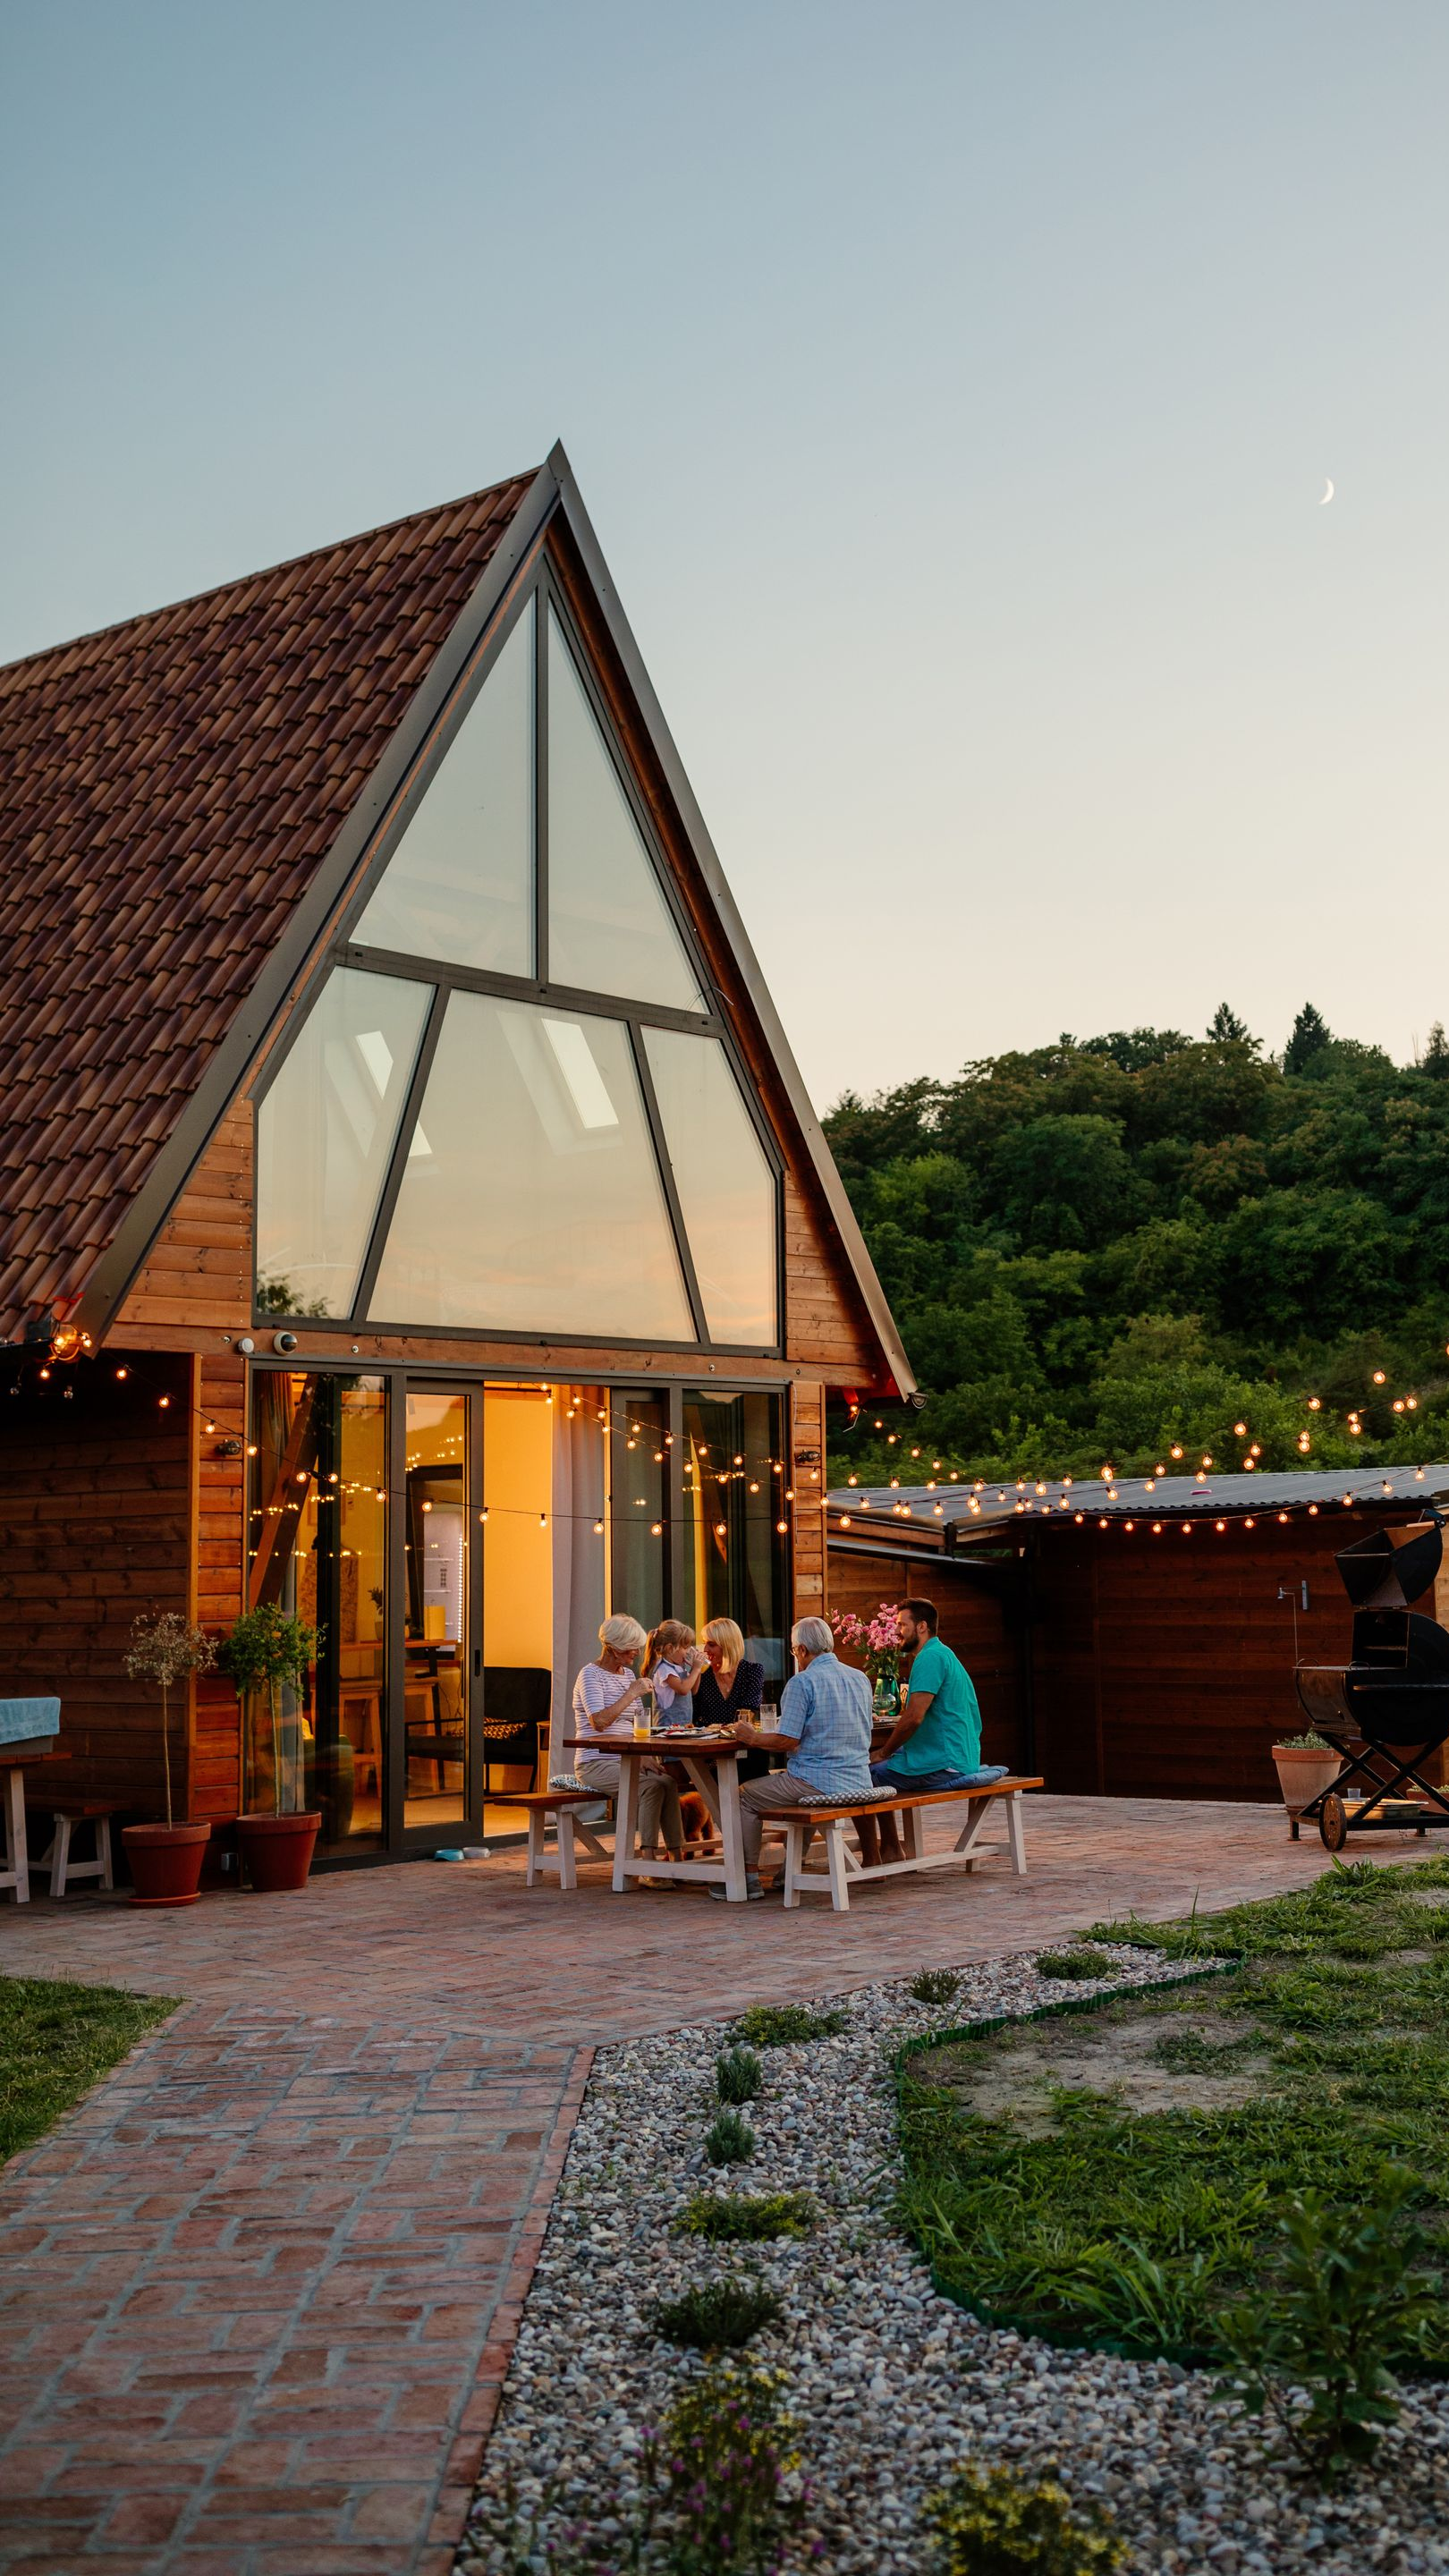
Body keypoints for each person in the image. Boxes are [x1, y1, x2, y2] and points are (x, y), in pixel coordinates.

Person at [719, 1615, 874, 1899]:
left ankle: (747, 1877)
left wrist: (749, 1736)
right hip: (859, 1779)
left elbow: (786, 1740)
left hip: (818, 1782)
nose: (795, 1656)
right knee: (795, 1791)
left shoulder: (803, 1682)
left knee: (743, 1795)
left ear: (802, 1650)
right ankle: (787, 1873)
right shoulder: (860, 1678)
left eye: (794, 1650)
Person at [860, 1598, 1004, 1868]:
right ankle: (890, 1847)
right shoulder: (944, 1654)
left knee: (867, 1773)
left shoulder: (929, 1658)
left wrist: (884, 1751)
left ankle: (885, 1850)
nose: (897, 1631)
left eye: (903, 1625)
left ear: (922, 1626)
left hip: (946, 1762)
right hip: (959, 1754)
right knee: (887, 1760)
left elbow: (914, 1718)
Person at [572, 1614, 684, 1885]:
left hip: (626, 1757)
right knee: (651, 1786)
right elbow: (599, 1721)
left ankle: (678, 1861)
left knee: (667, 1781)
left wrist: (644, 1754)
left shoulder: (629, 1675)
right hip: (595, 1762)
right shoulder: (590, 1674)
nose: (636, 1653)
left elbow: (635, 1724)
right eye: (631, 1648)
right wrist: (632, 1693)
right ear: (613, 1647)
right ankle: (647, 1863)